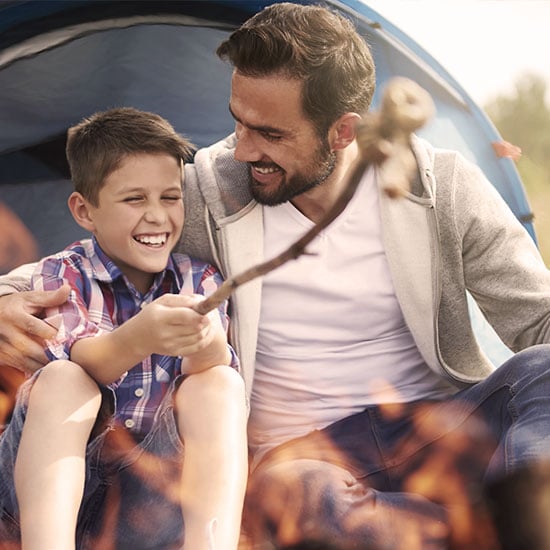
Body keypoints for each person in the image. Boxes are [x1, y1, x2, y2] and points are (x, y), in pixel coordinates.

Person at [2, 2, 550, 548]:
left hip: (437, 429)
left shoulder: (439, 187)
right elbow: (94, 252)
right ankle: (470, 528)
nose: (241, 148)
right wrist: (5, 297)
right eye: (237, 122)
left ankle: (528, 518)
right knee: (305, 494)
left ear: (342, 132)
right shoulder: (206, 191)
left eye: (268, 133)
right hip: (301, 459)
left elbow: (539, 317)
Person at [0, 107, 248, 550]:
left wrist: (207, 342)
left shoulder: (200, 279)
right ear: (84, 210)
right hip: (41, 498)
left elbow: (212, 367)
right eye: (135, 199)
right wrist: (140, 336)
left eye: (169, 198)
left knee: (220, 384)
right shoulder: (64, 274)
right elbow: (81, 362)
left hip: (144, 502)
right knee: (62, 378)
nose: (157, 216)